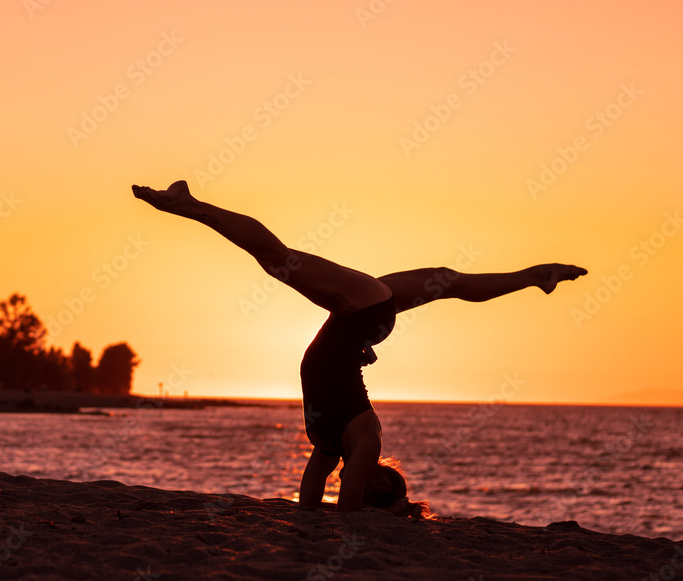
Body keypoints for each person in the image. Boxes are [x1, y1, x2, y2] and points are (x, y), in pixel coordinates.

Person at [132, 180, 587, 515]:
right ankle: (189, 206)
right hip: (364, 313)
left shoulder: (331, 442)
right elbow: (348, 512)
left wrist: (334, 515)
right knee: (281, 260)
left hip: (361, 320)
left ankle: (538, 275)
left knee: (445, 281)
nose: (373, 474)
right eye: (384, 477)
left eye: (378, 482)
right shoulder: (364, 439)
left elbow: (310, 502)